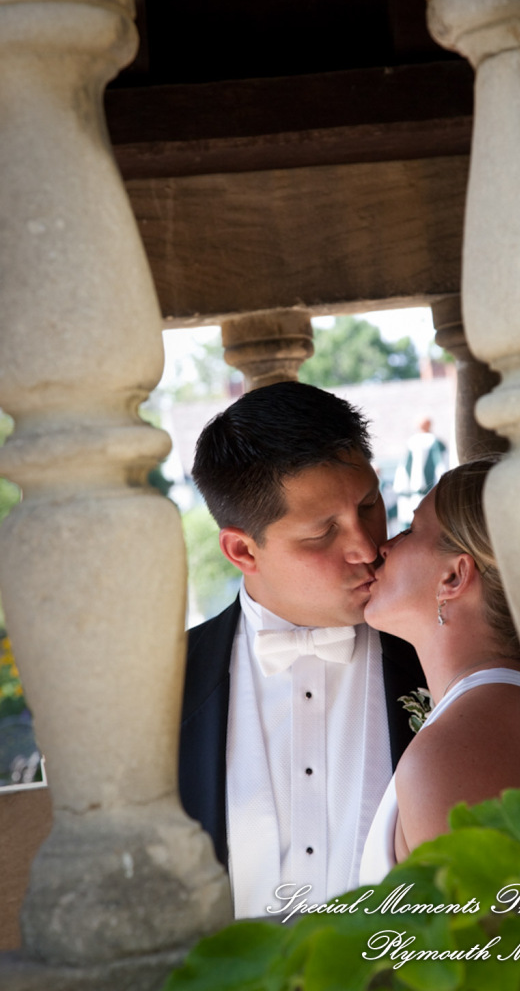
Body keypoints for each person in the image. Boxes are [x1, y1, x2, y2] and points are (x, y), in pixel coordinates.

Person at [179, 381, 425, 918]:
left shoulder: (437, 653)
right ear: (242, 549)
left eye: (369, 504)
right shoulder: (166, 687)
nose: (366, 546)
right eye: (322, 534)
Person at [360, 458, 520, 883]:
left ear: (453, 576)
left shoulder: (458, 751)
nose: (383, 547)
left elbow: (486, 946)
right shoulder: (504, 710)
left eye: (410, 530)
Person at [393, 417, 448, 529]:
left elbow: (440, 466)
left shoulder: (430, 442)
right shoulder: (418, 442)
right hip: (418, 492)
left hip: (425, 491)